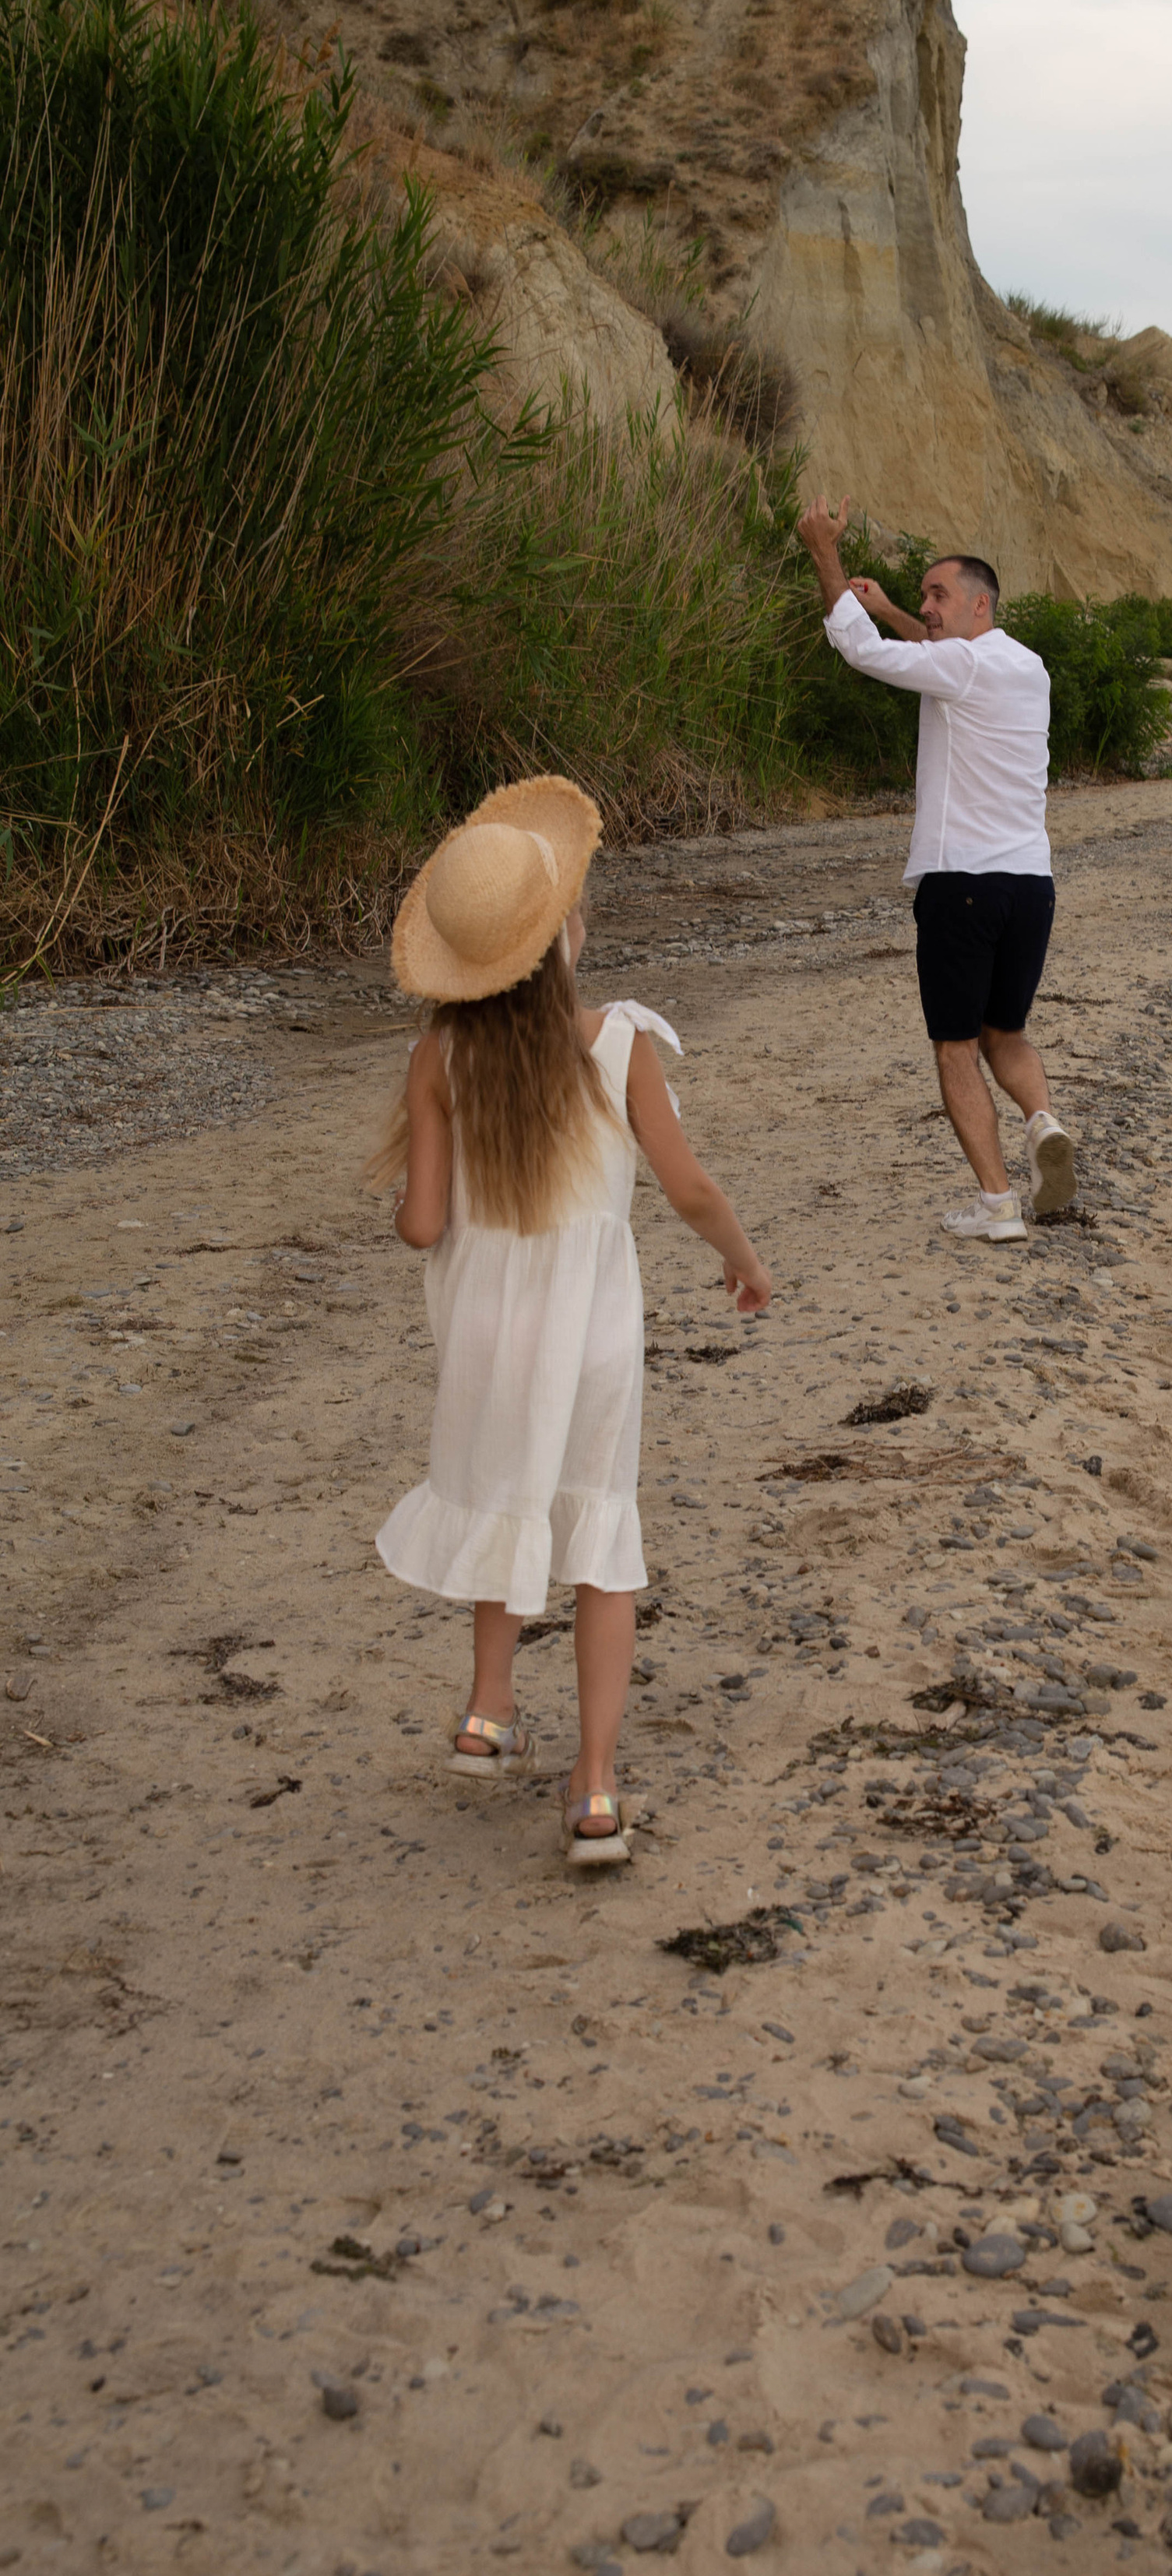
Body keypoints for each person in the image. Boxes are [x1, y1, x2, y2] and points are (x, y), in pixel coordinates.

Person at [367, 775, 772, 1867]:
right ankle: (593, 1792)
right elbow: (686, 1187)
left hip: (484, 1334)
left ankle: (488, 1712)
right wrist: (741, 1260)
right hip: (590, 1331)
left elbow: (418, 1226)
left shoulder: (438, 1060)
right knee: (598, 1532)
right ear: (561, 941)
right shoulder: (620, 1043)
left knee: (507, 1499)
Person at [796, 493, 1077, 1244]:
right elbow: (934, 653)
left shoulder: (962, 665)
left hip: (964, 887)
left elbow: (863, 653)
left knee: (955, 1046)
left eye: (937, 594)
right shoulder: (1028, 666)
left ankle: (996, 1206)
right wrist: (891, 605)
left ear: (980, 604)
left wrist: (825, 553)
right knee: (1004, 1033)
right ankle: (1042, 1122)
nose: (927, 604)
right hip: (1032, 886)